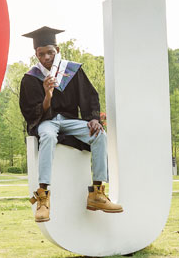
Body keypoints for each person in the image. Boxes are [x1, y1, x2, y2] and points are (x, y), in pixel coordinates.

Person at [18, 26, 122, 223]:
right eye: (41, 54)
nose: (46, 57)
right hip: (47, 121)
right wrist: (47, 95)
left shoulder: (71, 71)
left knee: (99, 134)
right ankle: (43, 198)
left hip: (70, 120)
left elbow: (90, 96)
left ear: (57, 50)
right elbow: (31, 112)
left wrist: (93, 119)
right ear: (36, 54)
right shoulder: (30, 78)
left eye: (50, 52)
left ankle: (97, 193)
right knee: (48, 135)